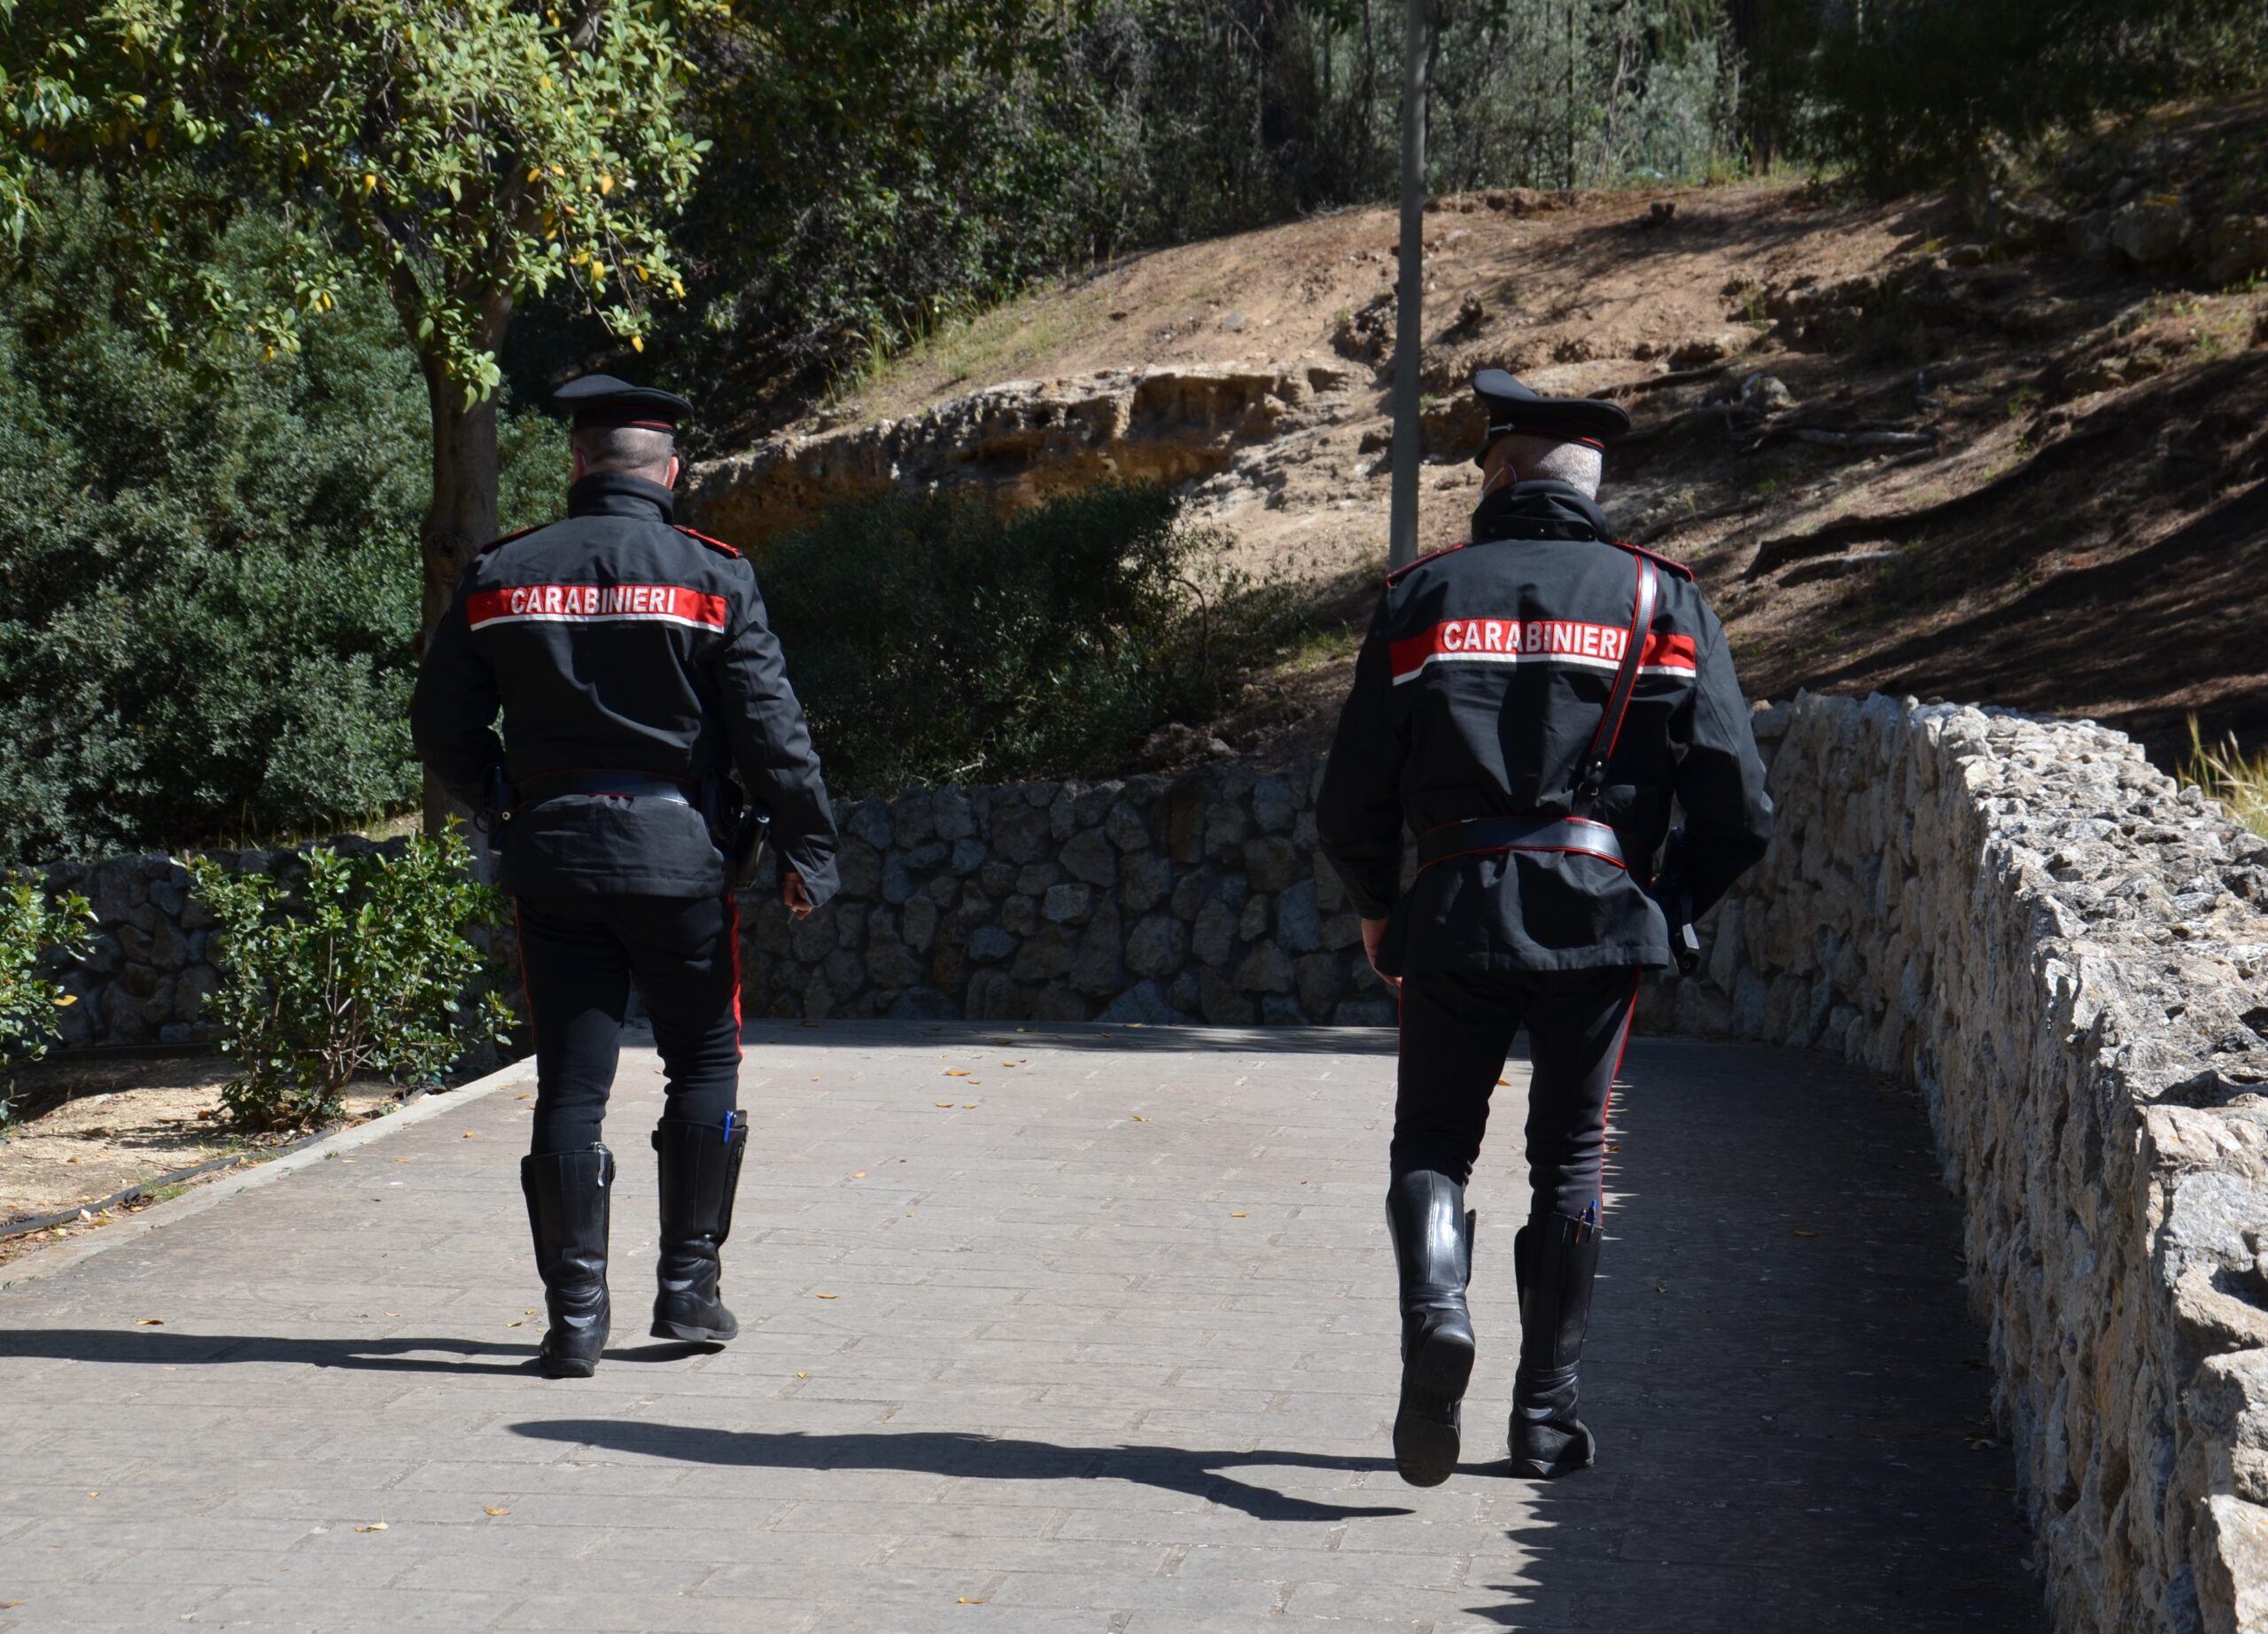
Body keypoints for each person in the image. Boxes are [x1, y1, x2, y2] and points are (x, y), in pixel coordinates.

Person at [1317, 369, 1773, 1486]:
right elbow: (1741, 805)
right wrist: (1661, 906)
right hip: (1598, 919)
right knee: (1568, 1160)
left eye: (1484, 464)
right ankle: (1545, 1419)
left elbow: (1350, 797)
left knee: (1432, 1143)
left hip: (1457, 912)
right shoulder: (1661, 601)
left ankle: (1437, 1314)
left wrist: (1383, 908)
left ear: (1509, 469)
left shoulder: (1422, 597)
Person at [411, 374, 839, 1379]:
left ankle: (574, 1321)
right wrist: (807, 849)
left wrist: (509, 800)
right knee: (702, 1064)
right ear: (671, 472)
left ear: (575, 464)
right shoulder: (712, 575)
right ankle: (689, 1292)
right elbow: (772, 734)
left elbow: (440, 725)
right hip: (679, 859)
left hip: (554, 860)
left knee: (571, 1084)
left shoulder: (501, 571)